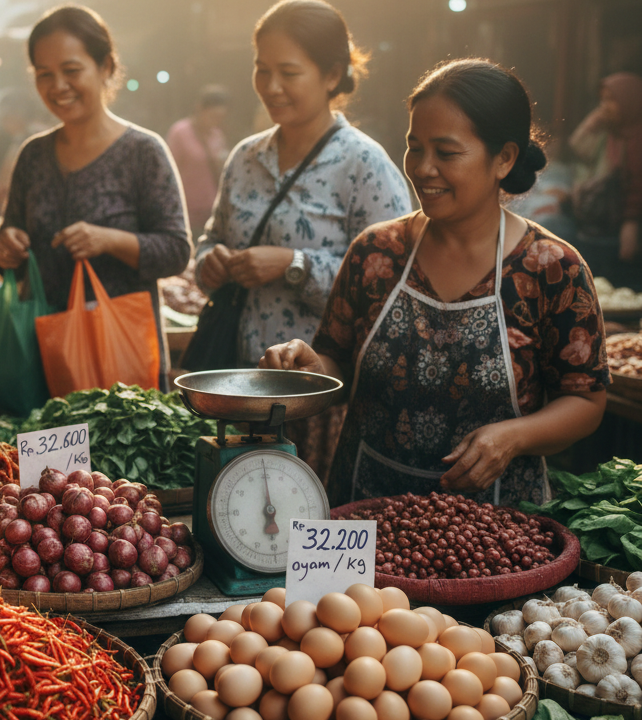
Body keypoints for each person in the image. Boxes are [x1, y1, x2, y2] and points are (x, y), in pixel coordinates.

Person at [261, 59, 609, 509]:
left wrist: (514, 437)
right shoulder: (376, 253)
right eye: (415, 148)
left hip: (495, 524)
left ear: (503, 158)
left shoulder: (552, 268)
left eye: (446, 153)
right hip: (365, 506)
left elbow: (585, 401)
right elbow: (337, 363)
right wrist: (311, 368)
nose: (423, 168)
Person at [193, 0, 411, 479]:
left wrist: (294, 263)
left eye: (288, 72)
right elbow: (210, 241)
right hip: (243, 390)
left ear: (332, 75)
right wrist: (211, 261)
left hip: (321, 400)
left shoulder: (365, 165)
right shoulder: (244, 158)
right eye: (262, 69)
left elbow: (397, 288)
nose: (271, 87)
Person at [0, 4, 191, 391]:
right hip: (44, 358)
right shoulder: (33, 155)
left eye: (71, 71)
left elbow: (176, 250)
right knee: (46, 447)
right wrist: (6, 249)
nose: (57, 87)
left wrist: (109, 240)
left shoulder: (143, 151)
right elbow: (10, 246)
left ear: (105, 67)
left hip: (121, 359)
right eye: (44, 74)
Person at [567, 72, 642, 289]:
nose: (605, 106)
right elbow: (579, 149)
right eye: (603, 99)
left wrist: (631, 222)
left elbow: (636, 185)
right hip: (602, 217)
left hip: (629, 223)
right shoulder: (610, 134)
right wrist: (591, 125)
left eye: (612, 100)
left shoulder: (637, 139)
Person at [166, 84, 231, 237]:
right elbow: (169, 173)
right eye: (213, 116)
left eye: (220, 118)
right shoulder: (180, 132)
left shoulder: (217, 135)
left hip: (212, 212)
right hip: (186, 213)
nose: (216, 121)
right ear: (199, 109)